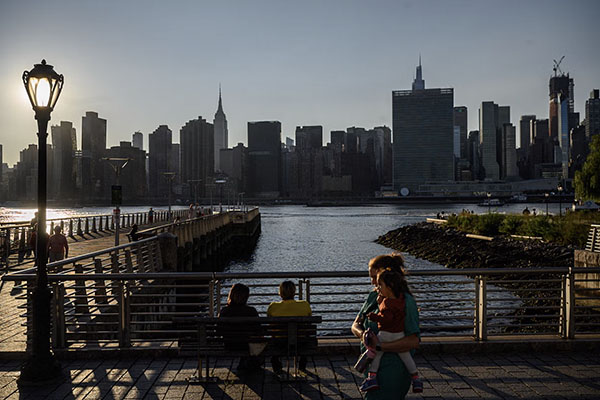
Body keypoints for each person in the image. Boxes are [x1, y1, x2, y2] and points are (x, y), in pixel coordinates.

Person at [351, 254, 421, 400]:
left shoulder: (405, 302)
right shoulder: (373, 296)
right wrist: (363, 335)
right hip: (373, 371)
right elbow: (355, 324)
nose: (372, 283)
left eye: (374, 278)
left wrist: (380, 346)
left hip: (393, 371)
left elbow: (413, 341)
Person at [267, 280, 312, 373]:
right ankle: (302, 365)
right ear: (294, 292)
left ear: (280, 293)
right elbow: (309, 323)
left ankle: (276, 365)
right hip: (301, 342)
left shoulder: (273, 307)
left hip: (279, 343)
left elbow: (270, 325)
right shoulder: (304, 305)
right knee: (304, 337)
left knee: (275, 338)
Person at [219, 283, 263, 370]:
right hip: (246, 345)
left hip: (229, 344)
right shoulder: (251, 311)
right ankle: (249, 362)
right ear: (246, 297)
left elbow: (219, 330)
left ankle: (246, 362)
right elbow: (258, 330)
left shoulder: (224, 311)